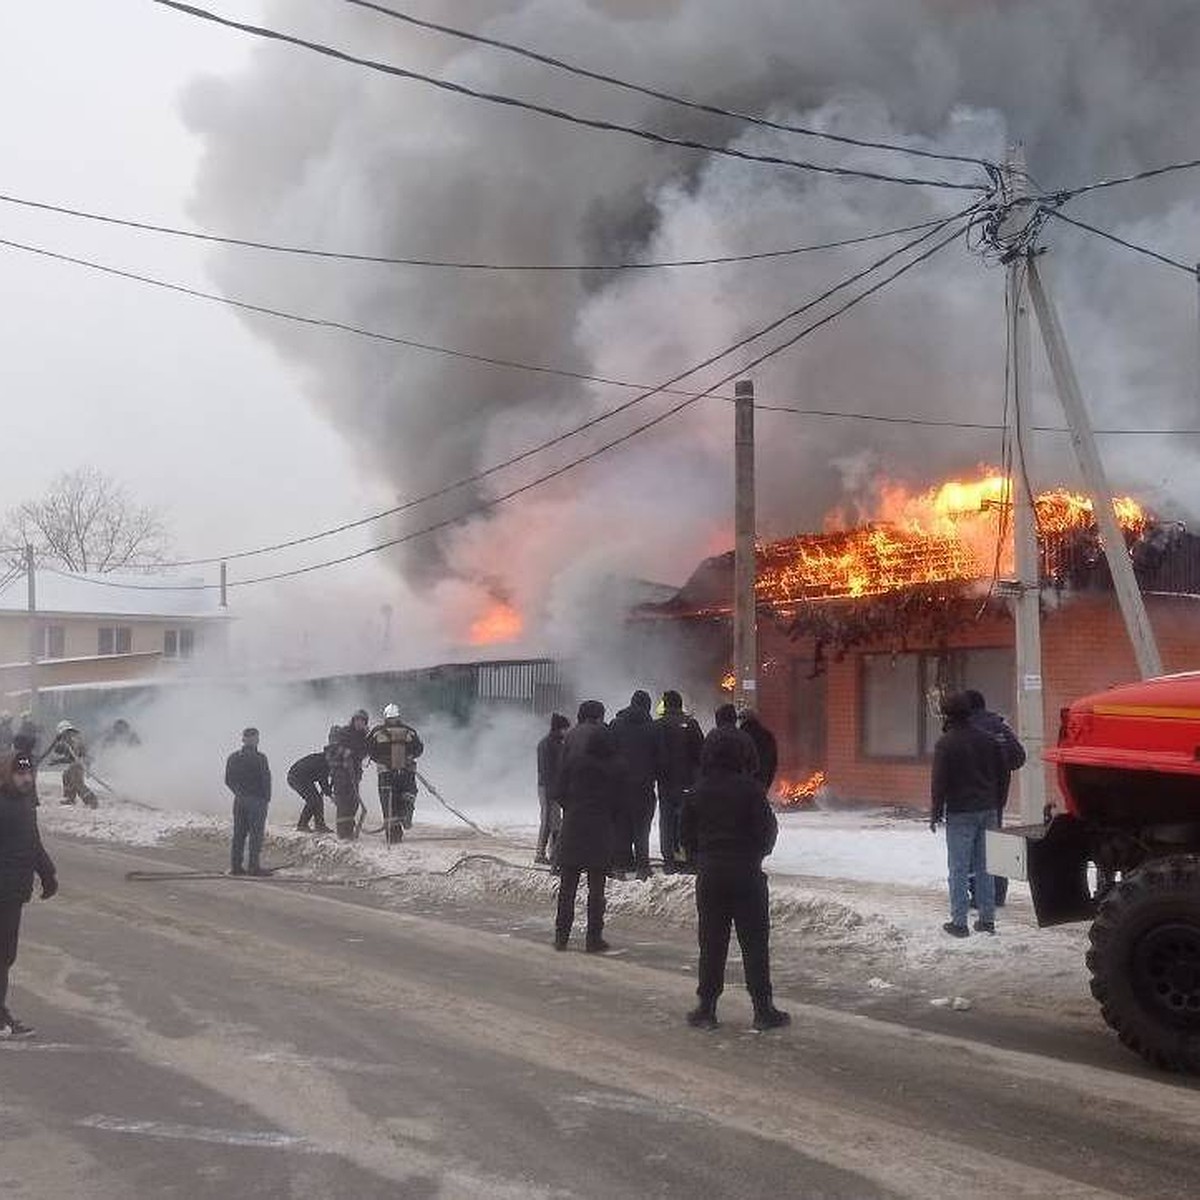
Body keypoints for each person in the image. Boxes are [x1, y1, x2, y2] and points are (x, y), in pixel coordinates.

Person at [681, 736, 789, 1032]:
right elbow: (767, 832)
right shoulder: (751, 791)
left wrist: (701, 857)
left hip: (711, 875)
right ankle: (763, 1009)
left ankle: (706, 1008)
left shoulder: (697, 791)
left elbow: (685, 836)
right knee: (754, 943)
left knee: (711, 942)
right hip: (747, 875)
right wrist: (755, 854)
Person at [930, 692, 1007, 937]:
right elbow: (1003, 772)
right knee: (985, 867)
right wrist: (998, 802)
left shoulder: (946, 743)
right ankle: (987, 920)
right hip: (987, 809)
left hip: (961, 811)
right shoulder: (989, 739)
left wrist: (935, 811)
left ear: (947, 715)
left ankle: (959, 923)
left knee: (959, 868)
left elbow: (939, 781)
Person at [0, 750, 57, 1038]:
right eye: (19, 773)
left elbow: (33, 843)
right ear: (7, 774)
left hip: (13, 893)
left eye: (28, 773)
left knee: (6, 956)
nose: (25, 778)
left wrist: (48, 874)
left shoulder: (25, 803)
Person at [553, 723, 622, 952]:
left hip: (573, 827)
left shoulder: (574, 763)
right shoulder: (614, 768)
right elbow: (619, 802)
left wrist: (572, 808)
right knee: (596, 890)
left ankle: (561, 936)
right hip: (600, 831)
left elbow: (558, 792)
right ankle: (593, 938)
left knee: (568, 887)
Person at [964, 688, 1026, 908]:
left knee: (973, 847)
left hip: (970, 800)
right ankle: (997, 893)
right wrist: (999, 768)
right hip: (996, 797)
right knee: (994, 843)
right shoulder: (1000, 726)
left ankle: (980, 896)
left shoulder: (966, 729)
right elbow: (1019, 758)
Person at [654, 691, 703, 874]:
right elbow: (700, 752)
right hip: (688, 783)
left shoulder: (657, 726)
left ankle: (669, 859)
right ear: (680, 704)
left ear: (665, 705)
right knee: (687, 820)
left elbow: (653, 754)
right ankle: (688, 858)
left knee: (666, 820)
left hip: (666, 783)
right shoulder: (690, 724)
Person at [610, 690, 658, 880]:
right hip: (644, 786)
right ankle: (642, 868)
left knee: (621, 827)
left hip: (620, 786)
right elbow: (659, 756)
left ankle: (619, 867)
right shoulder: (653, 728)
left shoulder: (616, 724)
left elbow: (609, 752)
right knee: (642, 828)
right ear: (646, 705)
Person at [366, 704, 424, 844]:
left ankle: (393, 838)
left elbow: (370, 750)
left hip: (386, 775)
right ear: (399, 717)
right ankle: (406, 813)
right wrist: (409, 757)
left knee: (389, 805)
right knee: (408, 794)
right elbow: (419, 748)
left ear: (385, 717)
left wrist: (383, 759)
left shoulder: (377, 732)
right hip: (407, 773)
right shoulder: (409, 731)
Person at [224, 727, 272, 876]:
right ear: (256, 739)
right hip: (256, 800)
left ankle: (236, 866)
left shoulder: (233, 757)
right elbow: (266, 780)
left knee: (239, 834)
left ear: (243, 739)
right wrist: (266, 798)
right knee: (255, 835)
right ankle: (253, 867)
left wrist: (238, 793)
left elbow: (228, 780)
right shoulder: (260, 758)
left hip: (239, 800)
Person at [535, 713, 569, 865]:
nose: (567, 732)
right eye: (565, 729)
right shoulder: (548, 745)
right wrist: (552, 790)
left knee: (555, 822)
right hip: (548, 788)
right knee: (548, 821)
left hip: (553, 787)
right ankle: (541, 853)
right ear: (559, 729)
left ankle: (553, 853)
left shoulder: (556, 743)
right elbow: (546, 770)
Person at [46, 720, 97, 809]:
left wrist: (57, 761)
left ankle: (91, 800)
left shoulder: (73, 738)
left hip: (81, 761)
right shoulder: (69, 739)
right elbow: (71, 757)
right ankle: (69, 797)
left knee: (77, 781)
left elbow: (75, 757)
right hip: (78, 761)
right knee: (66, 775)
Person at [701, 704, 760, 778]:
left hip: (715, 781)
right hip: (739, 782)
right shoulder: (745, 737)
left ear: (719, 719)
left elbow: (704, 760)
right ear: (734, 719)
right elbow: (754, 765)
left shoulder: (713, 736)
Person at [286, 743, 332, 834]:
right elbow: (323, 781)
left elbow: (323, 782)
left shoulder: (324, 760)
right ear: (328, 754)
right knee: (313, 800)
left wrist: (329, 793)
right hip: (296, 778)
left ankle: (320, 825)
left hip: (304, 778)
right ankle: (302, 825)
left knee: (317, 799)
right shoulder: (323, 763)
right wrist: (331, 795)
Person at [326, 725, 361, 841]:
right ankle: (343, 832)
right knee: (343, 805)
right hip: (340, 779)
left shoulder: (347, 748)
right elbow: (331, 762)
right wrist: (343, 763)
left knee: (353, 804)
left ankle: (348, 830)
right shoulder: (331, 749)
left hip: (351, 778)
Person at [739, 710, 779, 791]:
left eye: (740, 718)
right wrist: (767, 784)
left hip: (743, 784)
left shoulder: (740, 736)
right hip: (762, 782)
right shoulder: (768, 736)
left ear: (744, 719)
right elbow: (773, 762)